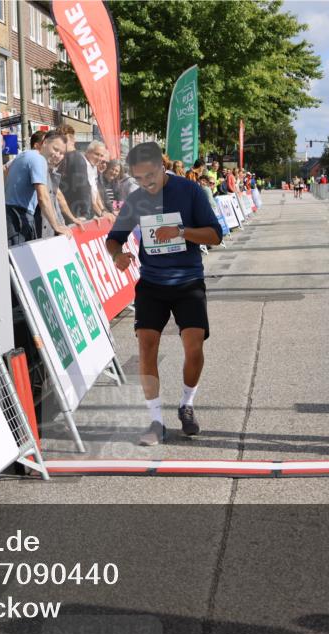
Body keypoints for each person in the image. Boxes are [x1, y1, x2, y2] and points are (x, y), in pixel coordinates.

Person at [106, 142, 223, 445]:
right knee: (147, 347)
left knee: (194, 346)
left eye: (150, 176)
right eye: (139, 178)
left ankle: (187, 404)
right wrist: (117, 255)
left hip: (188, 281)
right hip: (152, 283)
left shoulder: (190, 191)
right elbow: (113, 239)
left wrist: (181, 232)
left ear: (162, 166)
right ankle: (156, 421)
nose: (146, 184)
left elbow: (215, 235)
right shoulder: (136, 199)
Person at [4, 129, 73, 245]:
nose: (58, 155)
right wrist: (57, 226)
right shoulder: (39, 159)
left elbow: (5, 170)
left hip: (10, 216)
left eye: (62, 153)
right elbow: (43, 197)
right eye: (55, 149)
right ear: (45, 142)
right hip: (18, 220)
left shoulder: (24, 155)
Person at [57, 124, 96, 220]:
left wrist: (84, 214)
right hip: (70, 213)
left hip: (73, 213)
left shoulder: (74, 158)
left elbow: (83, 187)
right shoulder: (69, 157)